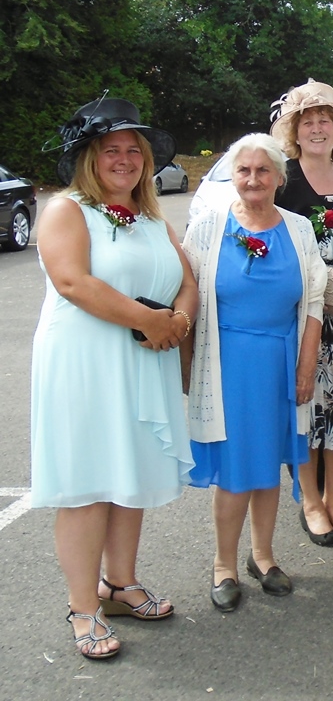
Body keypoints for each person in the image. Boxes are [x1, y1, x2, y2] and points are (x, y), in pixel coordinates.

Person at [32, 98, 196, 659]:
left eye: (134, 150)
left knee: (129, 475)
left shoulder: (152, 216)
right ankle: (83, 608)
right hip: (85, 364)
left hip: (142, 358)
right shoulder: (66, 209)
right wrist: (152, 321)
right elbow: (74, 282)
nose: (125, 160)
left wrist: (179, 320)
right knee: (87, 484)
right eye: (112, 150)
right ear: (88, 158)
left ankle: (121, 584)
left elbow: (185, 277)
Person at [182, 133, 326, 611]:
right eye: (244, 170)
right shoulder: (207, 228)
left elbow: (313, 304)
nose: (253, 179)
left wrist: (307, 364)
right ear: (232, 176)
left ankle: (263, 557)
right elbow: (186, 294)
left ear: (280, 178)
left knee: (269, 464)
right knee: (235, 472)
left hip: (283, 360)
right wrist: (184, 363)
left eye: (263, 171)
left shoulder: (300, 229)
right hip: (229, 365)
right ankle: (223, 565)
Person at [271, 80, 333, 545]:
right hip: (304, 314)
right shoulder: (283, 179)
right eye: (307, 121)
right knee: (307, 408)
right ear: (295, 131)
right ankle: (309, 500)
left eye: (324, 120)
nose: (317, 128)